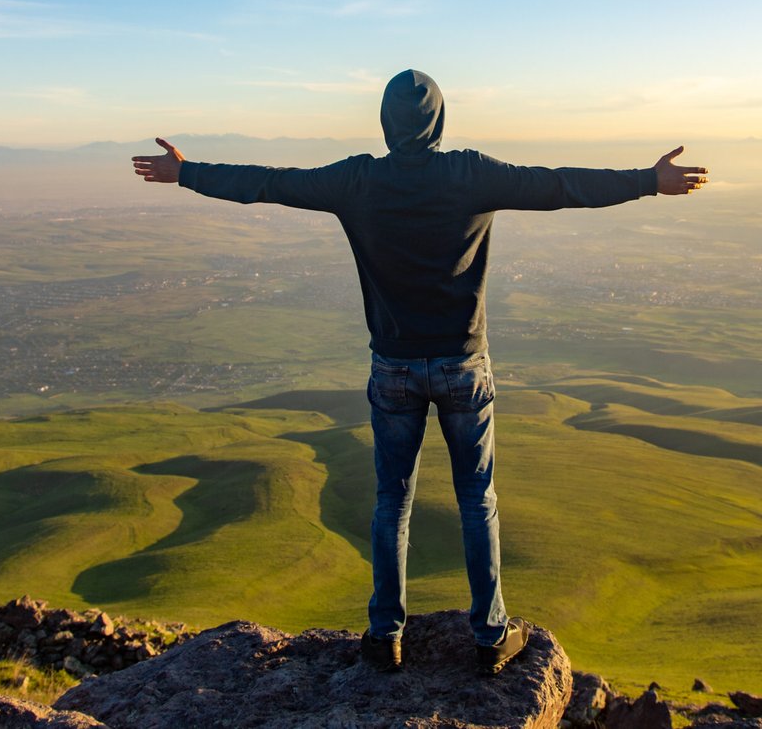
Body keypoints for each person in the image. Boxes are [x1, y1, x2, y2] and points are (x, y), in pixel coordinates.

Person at [132, 69, 707, 676]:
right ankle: (490, 637)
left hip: (394, 367)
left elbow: (270, 183)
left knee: (391, 503)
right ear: (439, 119)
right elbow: (560, 185)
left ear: (386, 122)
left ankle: (385, 637)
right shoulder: (469, 173)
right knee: (476, 501)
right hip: (464, 364)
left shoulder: (357, 179)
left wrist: (186, 172)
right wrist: (650, 181)